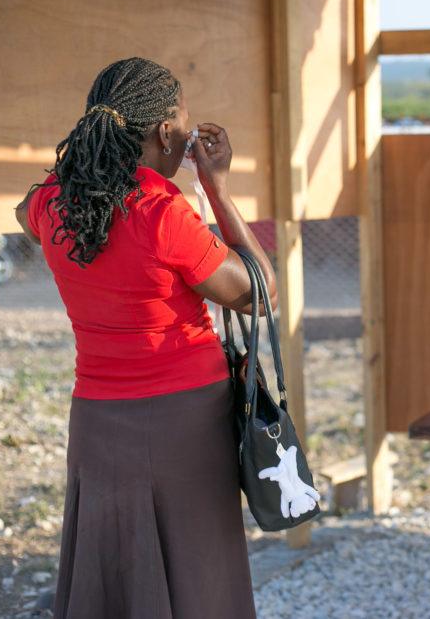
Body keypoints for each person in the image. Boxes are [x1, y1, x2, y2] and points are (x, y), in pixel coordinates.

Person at [14, 58, 276, 619]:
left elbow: (24, 214)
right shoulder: (163, 213)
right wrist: (218, 188)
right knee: (196, 571)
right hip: (183, 419)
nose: (187, 131)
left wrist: (75, 186)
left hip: (95, 421)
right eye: (183, 119)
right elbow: (259, 292)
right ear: (164, 132)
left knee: (111, 569)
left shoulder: (53, 203)